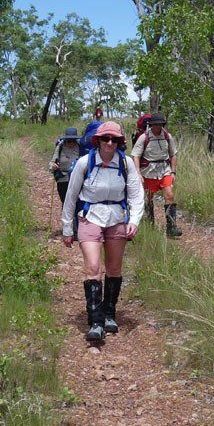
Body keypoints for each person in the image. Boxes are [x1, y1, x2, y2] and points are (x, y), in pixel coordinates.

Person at [60, 121, 144, 341]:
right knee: (93, 267)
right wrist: (67, 228)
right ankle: (95, 320)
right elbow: (71, 197)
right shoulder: (84, 163)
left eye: (114, 139)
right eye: (106, 138)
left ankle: (109, 314)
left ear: (119, 142)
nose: (109, 143)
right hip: (90, 217)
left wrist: (134, 220)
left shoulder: (126, 164)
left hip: (116, 217)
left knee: (114, 268)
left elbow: (136, 194)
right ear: (97, 140)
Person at [131, 113, 180, 237]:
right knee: (148, 199)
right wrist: (138, 173)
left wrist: (173, 171)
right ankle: (150, 225)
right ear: (151, 125)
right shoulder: (144, 137)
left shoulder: (167, 137)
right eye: (155, 124)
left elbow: (173, 154)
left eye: (160, 124)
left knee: (169, 195)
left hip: (165, 169)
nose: (157, 126)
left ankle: (171, 227)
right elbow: (135, 155)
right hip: (148, 171)